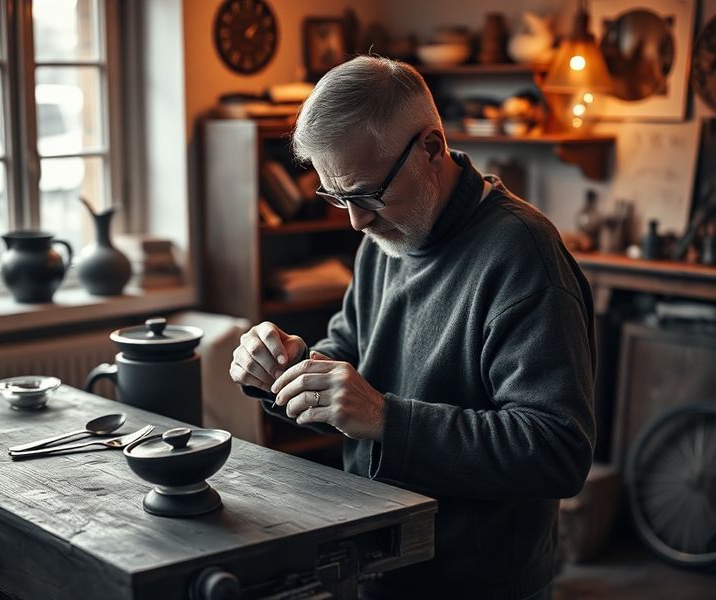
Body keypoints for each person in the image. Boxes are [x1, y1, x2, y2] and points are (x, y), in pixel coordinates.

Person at [229, 56, 595, 600]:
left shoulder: (524, 255)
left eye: (366, 194)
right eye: (337, 197)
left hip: (478, 582)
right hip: (374, 558)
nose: (355, 221)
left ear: (430, 147)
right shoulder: (388, 232)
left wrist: (384, 418)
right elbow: (351, 354)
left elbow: (557, 451)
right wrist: (288, 366)